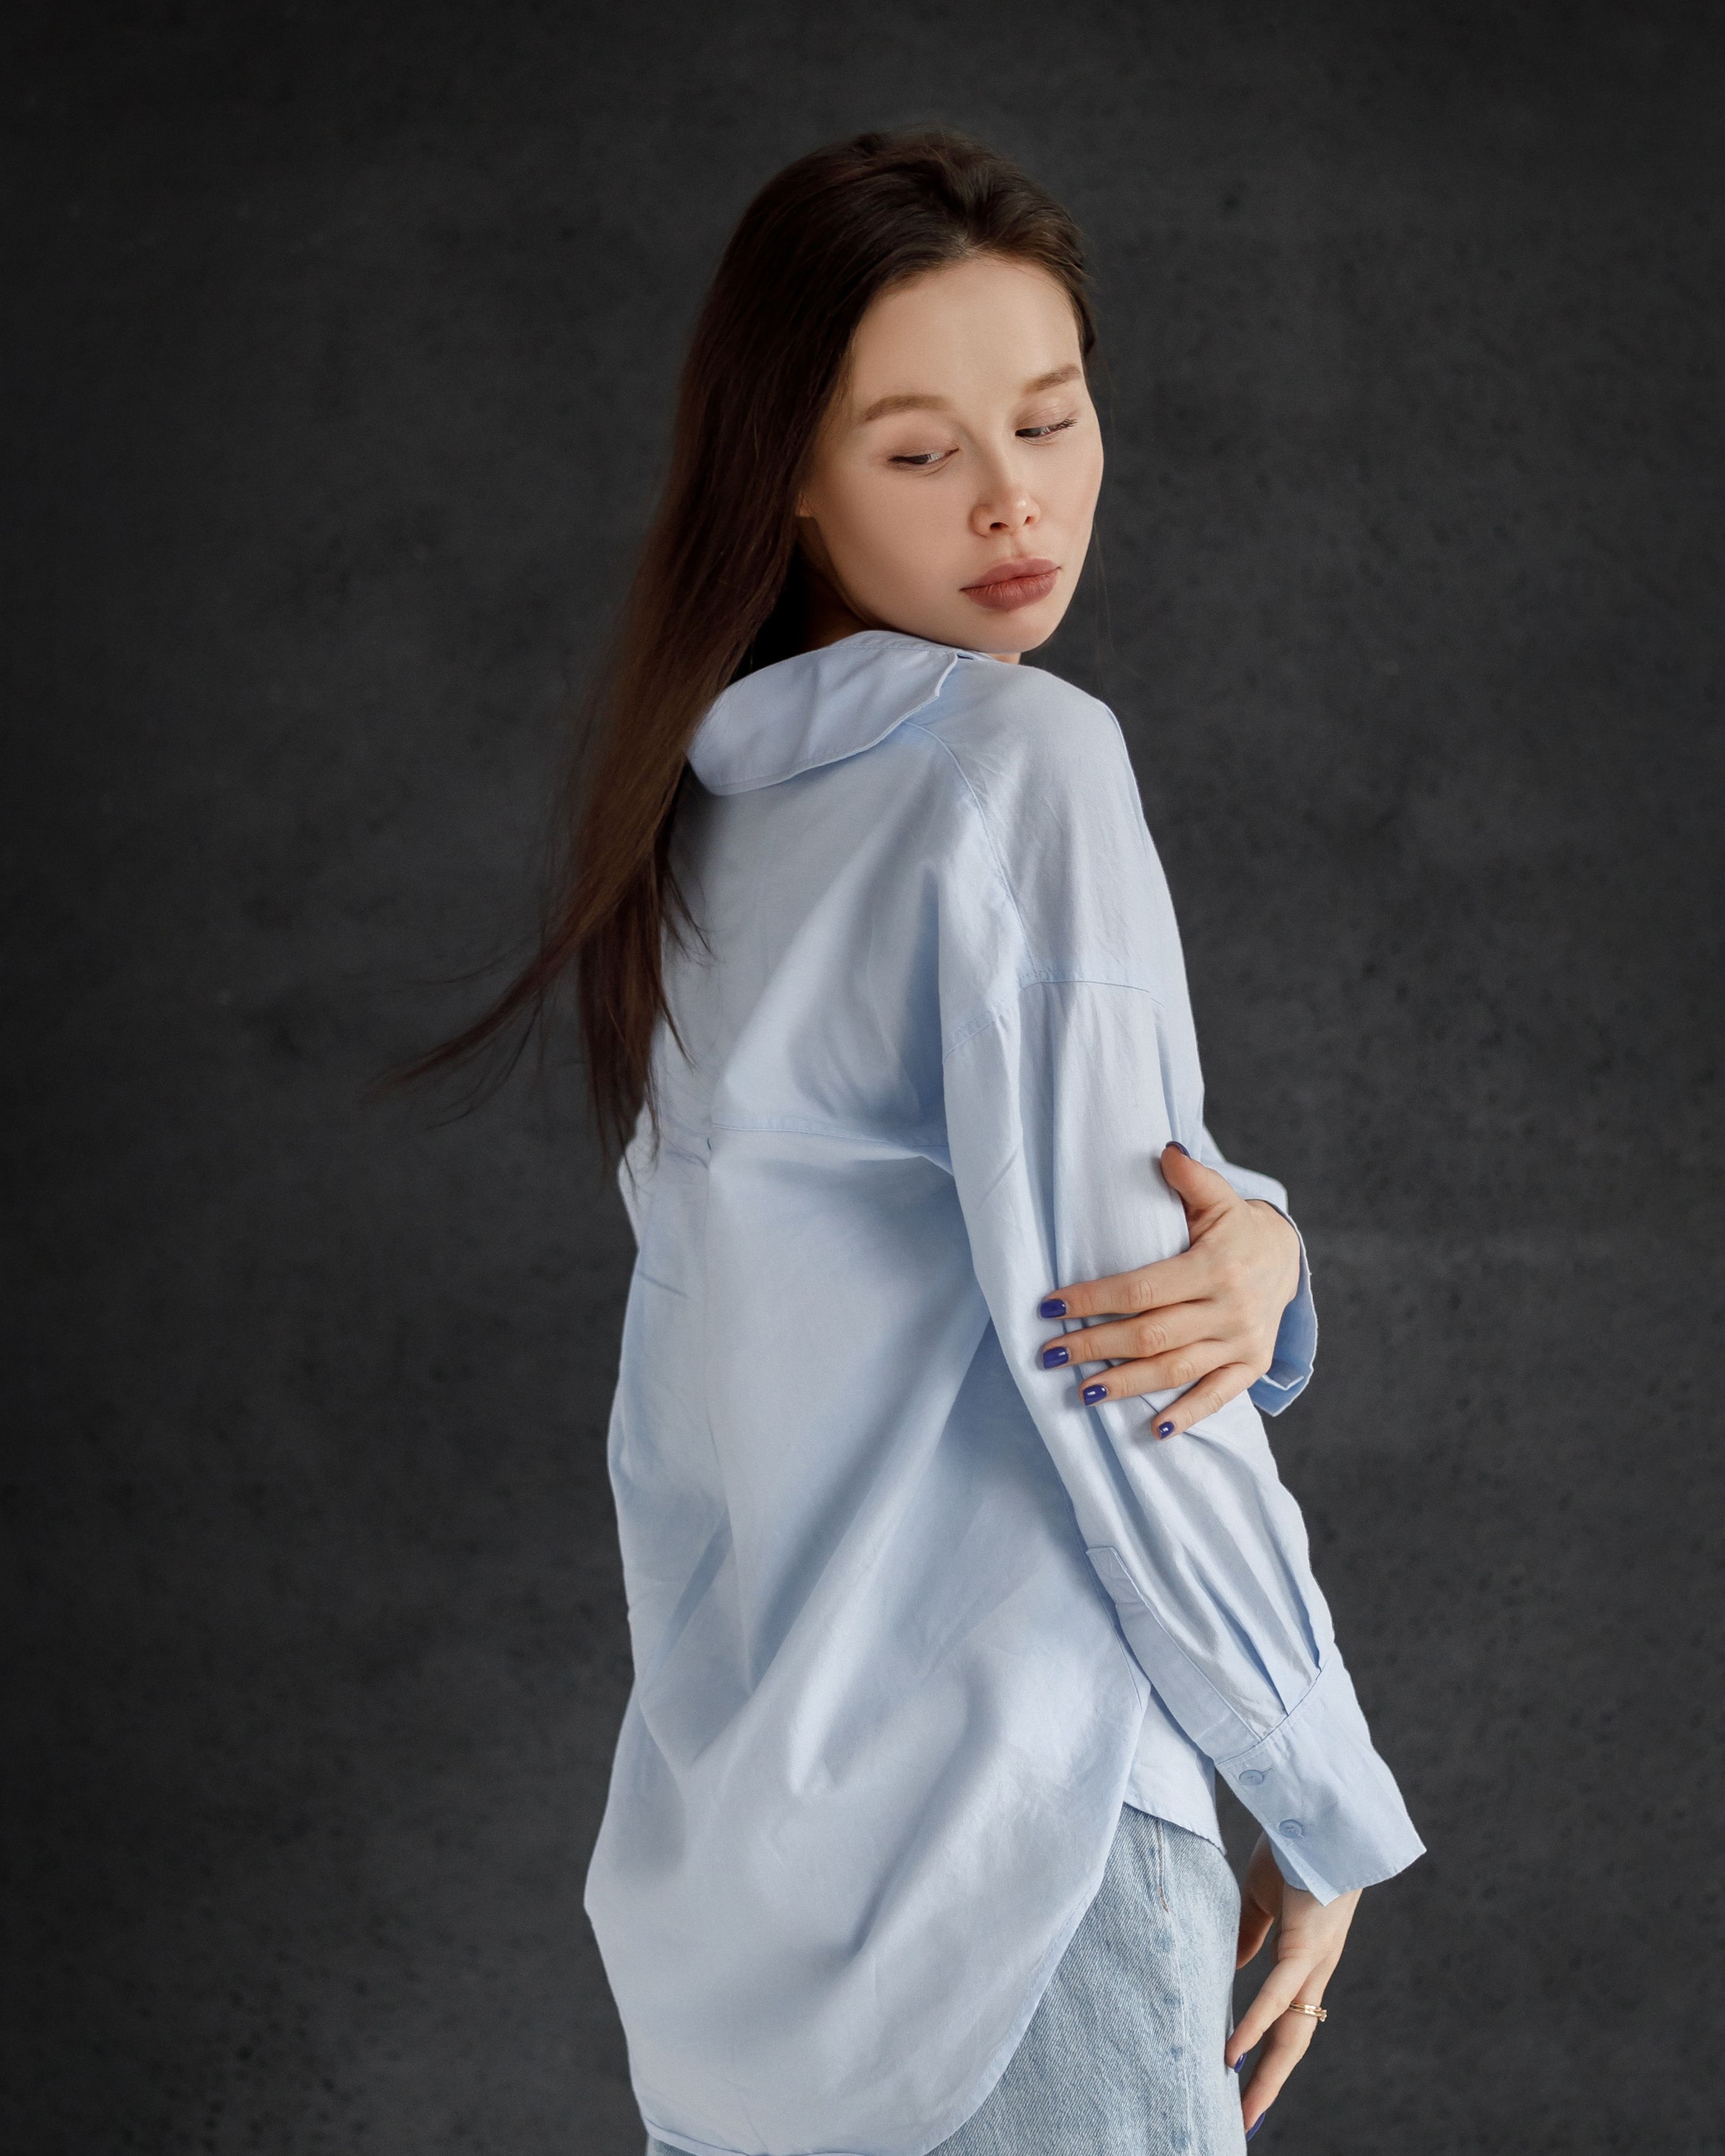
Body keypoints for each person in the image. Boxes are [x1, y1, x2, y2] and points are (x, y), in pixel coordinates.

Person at [414, 128, 1423, 2156]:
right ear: (787, 472)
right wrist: (1320, 1792)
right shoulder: (1020, 763)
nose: (1012, 500)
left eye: (1048, 419)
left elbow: (774, 1367)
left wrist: (1263, 1243)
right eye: (917, 450)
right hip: (1014, 1863)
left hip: (742, 1921)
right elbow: (1115, 1365)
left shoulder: (696, 825)